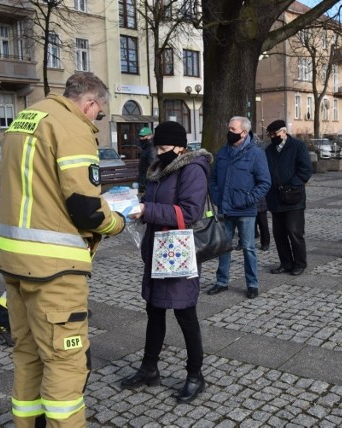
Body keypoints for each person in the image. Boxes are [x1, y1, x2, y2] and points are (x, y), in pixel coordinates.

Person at [0, 72, 126, 427]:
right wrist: (119, 222)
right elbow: (87, 209)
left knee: (27, 355)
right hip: (54, 270)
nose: (95, 120)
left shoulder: (27, 118)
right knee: (65, 363)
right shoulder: (70, 127)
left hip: (14, 261)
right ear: (90, 104)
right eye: (98, 115)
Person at [120, 121, 212, 403]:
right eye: (157, 147)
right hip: (156, 250)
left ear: (181, 146)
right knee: (154, 311)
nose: (159, 152)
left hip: (178, 252)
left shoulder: (192, 170)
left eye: (164, 147)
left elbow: (189, 213)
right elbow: (153, 201)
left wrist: (147, 210)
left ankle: (196, 376)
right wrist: (133, 203)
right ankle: (149, 369)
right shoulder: (159, 170)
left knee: (186, 315)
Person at [207, 116, 271, 299]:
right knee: (224, 247)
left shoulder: (256, 154)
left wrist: (249, 199)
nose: (229, 132)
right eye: (229, 128)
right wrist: (217, 197)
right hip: (226, 209)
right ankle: (222, 281)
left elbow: (265, 182)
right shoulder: (223, 152)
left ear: (244, 132)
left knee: (249, 248)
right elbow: (213, 178)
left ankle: (252, 284)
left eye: (233, 129)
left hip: (246, 211)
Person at [263, 120, 312, 276]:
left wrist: (291, 186)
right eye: (270, 134)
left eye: (275, 134)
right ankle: (286, 263)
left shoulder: (298, 146)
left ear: (283, 132)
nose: (272, 137)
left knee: (294, 231)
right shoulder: (269, 150)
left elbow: (305, 170)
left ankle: (300, 263)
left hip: (293, 197)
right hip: (275, 198)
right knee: (279, 234)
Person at [137, 127, 155, 192]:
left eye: (143, 136)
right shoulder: (145, 148)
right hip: (143, 183)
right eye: (140, 136)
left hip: (148, 185)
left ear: (150, 136)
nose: (141, 138)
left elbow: (153, 167)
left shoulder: (151, 149)